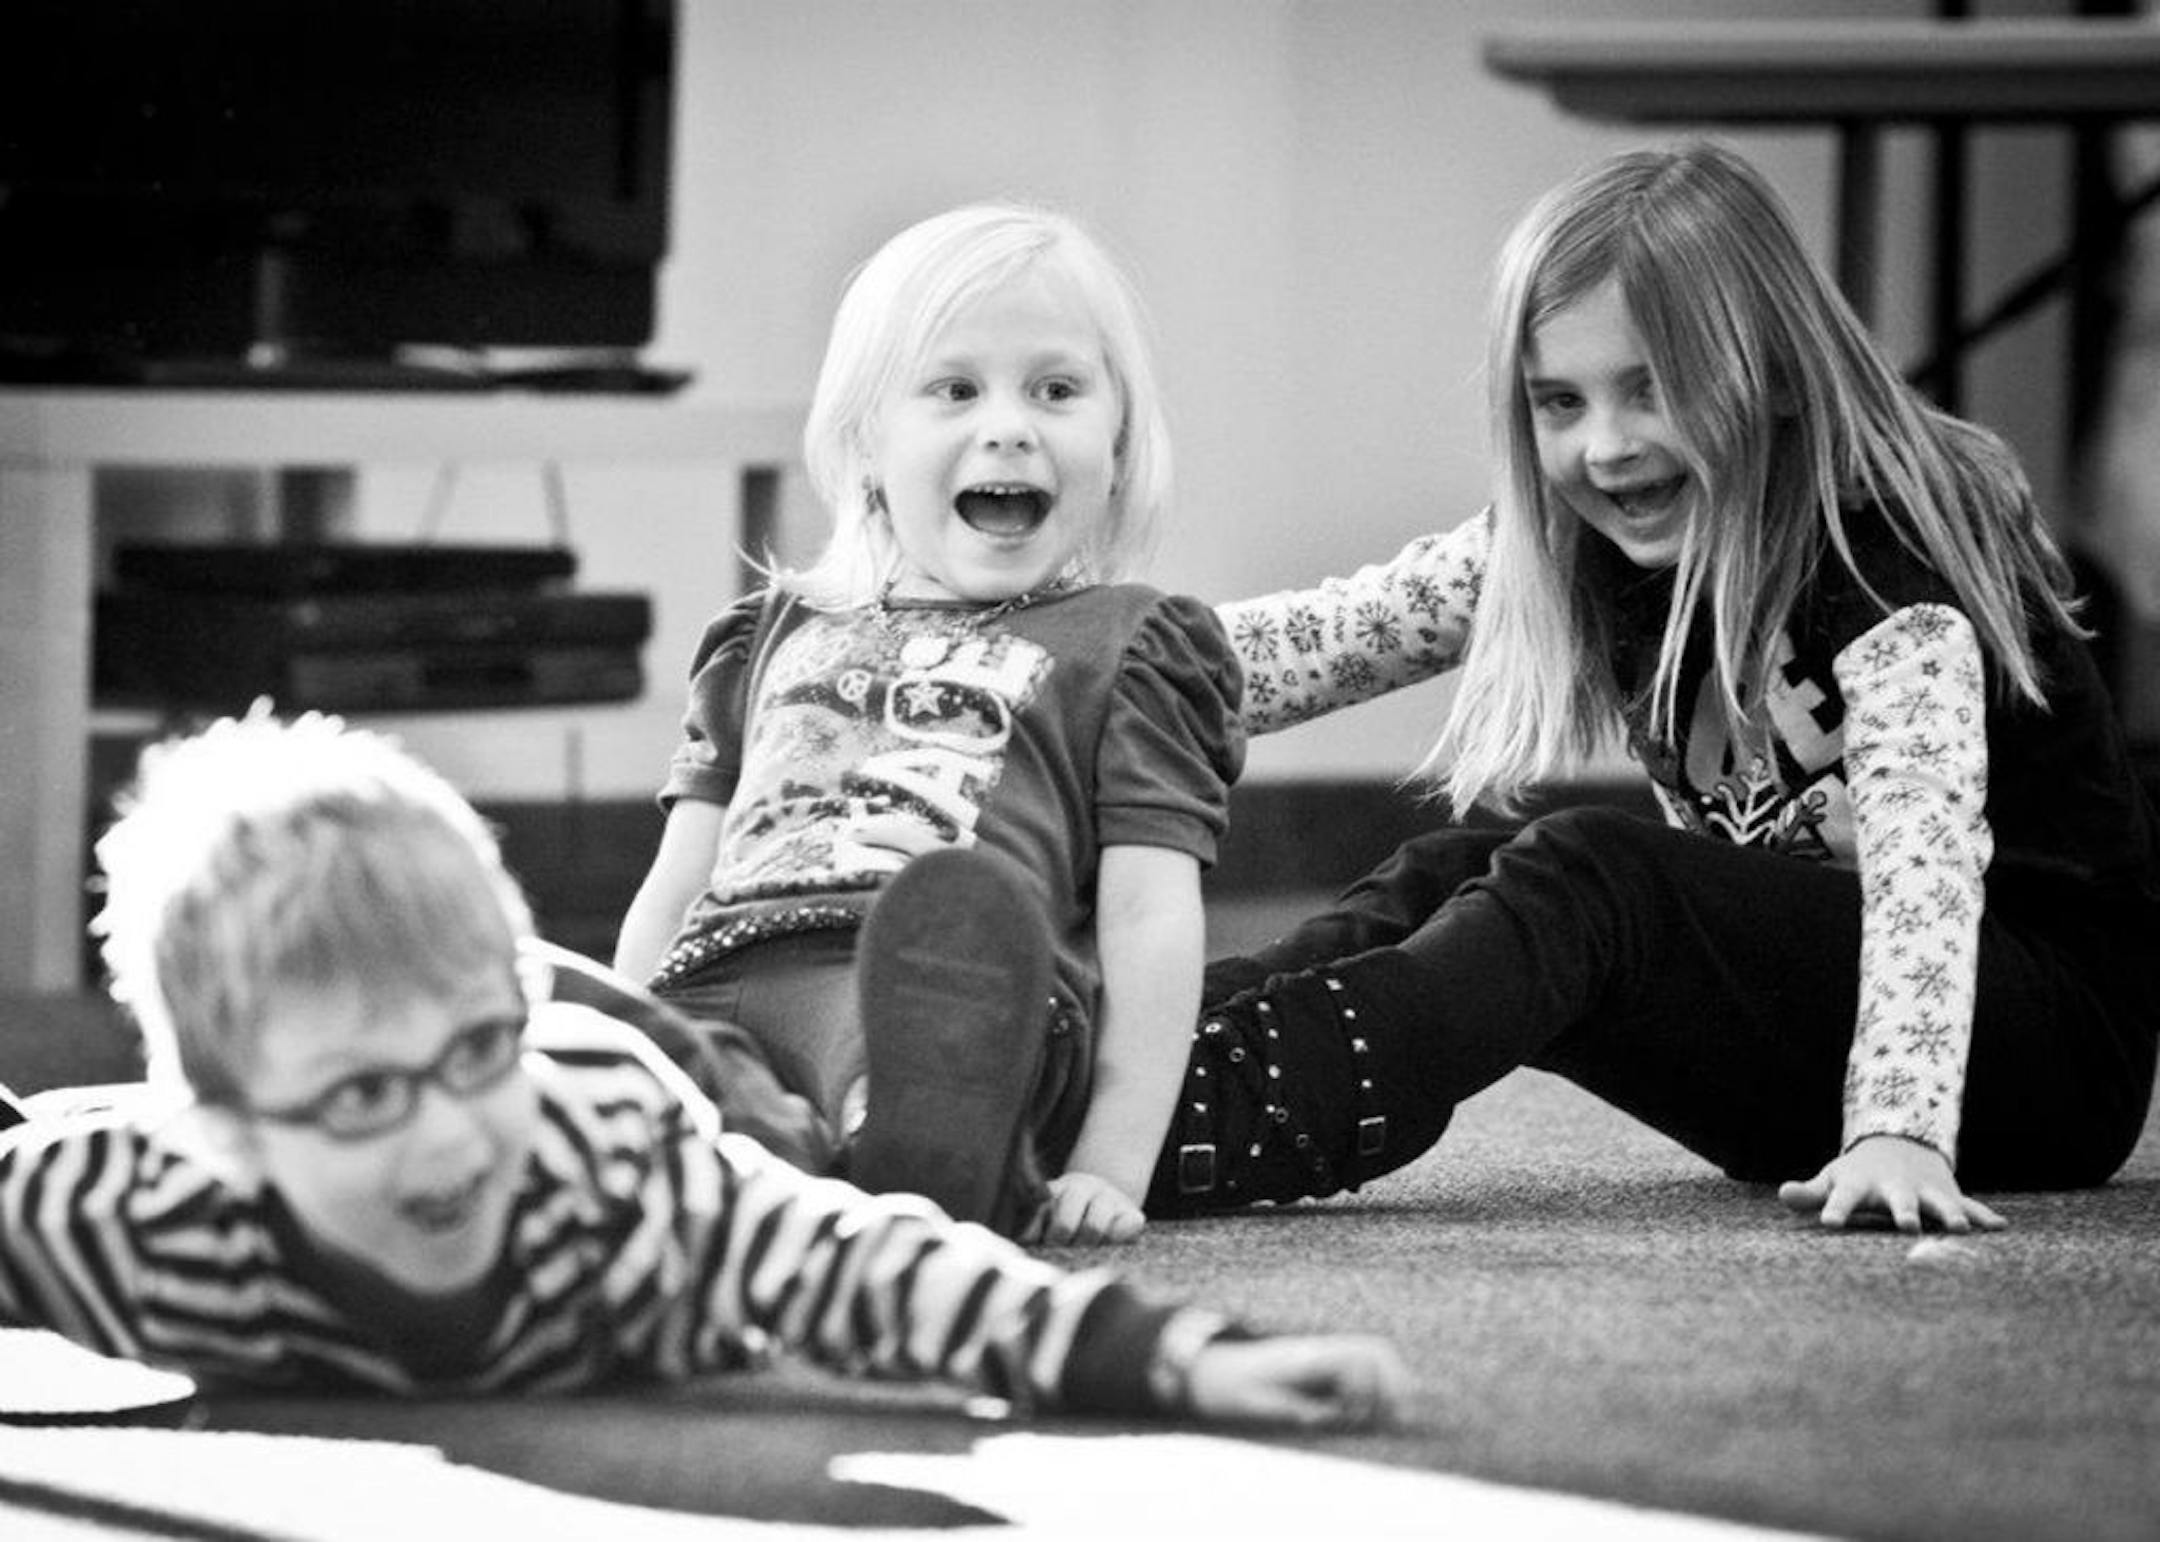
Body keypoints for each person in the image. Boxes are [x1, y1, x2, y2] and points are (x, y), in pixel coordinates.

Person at [1144, 141, 2160, 1234]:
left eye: (1651, 390)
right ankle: (1125, 1059)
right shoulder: (1588, 538)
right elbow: (1333, 635)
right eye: (1559, 403)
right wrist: (1085, 670)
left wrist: (1899, 1128)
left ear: (1771, 371)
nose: (1606, 447)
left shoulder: (1888, 562)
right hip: (1834, 1047)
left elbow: (1927, 868)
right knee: (1461, 868)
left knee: (1591, 872)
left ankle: (1217, 1118)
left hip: (2023, 1063)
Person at [0, 709, 1401, 1426]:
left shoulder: (606, 1169)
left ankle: (818, 1090)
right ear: (226, 1136)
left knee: (758, 1126)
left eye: (467, 1054)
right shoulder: (124, 1208)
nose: (446, 1136)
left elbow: (861, 1265)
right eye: (366, 1097)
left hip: (657, 1088)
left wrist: (1175, 1357)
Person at [613, 203, 1243, 1247]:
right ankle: (746, 1152)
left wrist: (1110, 1162)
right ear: (867, 443)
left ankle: (920, 1148)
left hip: (949, 992)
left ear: (1120, 444)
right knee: (609, 1034)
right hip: (721, 978)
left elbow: (1148, 918)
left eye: (1057, 390)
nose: (1009, 425)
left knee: (913, 1039)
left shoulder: (1129, 646)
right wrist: (619, 1033)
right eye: (955, 390)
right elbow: (676, 883)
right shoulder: (768, 633)